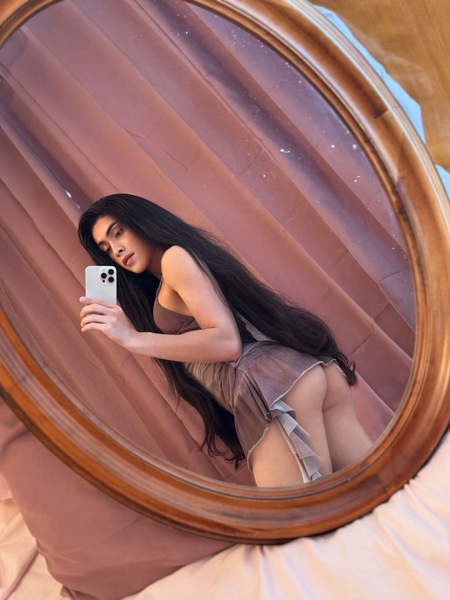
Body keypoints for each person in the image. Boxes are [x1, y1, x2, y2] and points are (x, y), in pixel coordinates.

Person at [78, 193, 372, 487]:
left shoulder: (174, 259)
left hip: (273, 387)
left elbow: (226, 343)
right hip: (301, 373)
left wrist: (133, 339)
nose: (116, 249)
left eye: (118, 232)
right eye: (106, 248)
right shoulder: (178, 262)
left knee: (300, 511)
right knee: (370, 490)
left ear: (141, 221)